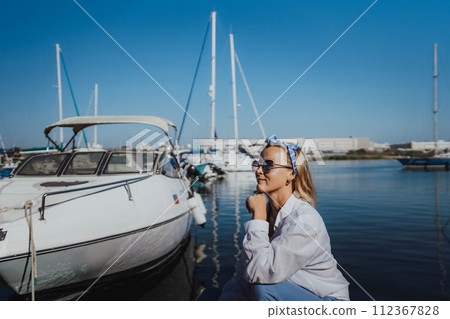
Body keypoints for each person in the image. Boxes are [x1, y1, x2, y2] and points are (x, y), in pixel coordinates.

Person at [198, 135, 349, 301]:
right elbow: (244, 275)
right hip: (285, 292)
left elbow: (260, 274)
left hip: (325, 300)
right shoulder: (268, 213)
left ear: (291, 174)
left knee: (264, 289)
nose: (258, 171)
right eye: (258, 164)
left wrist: (259, 218)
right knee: (210, 296)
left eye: (268, 165)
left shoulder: (304, 221)